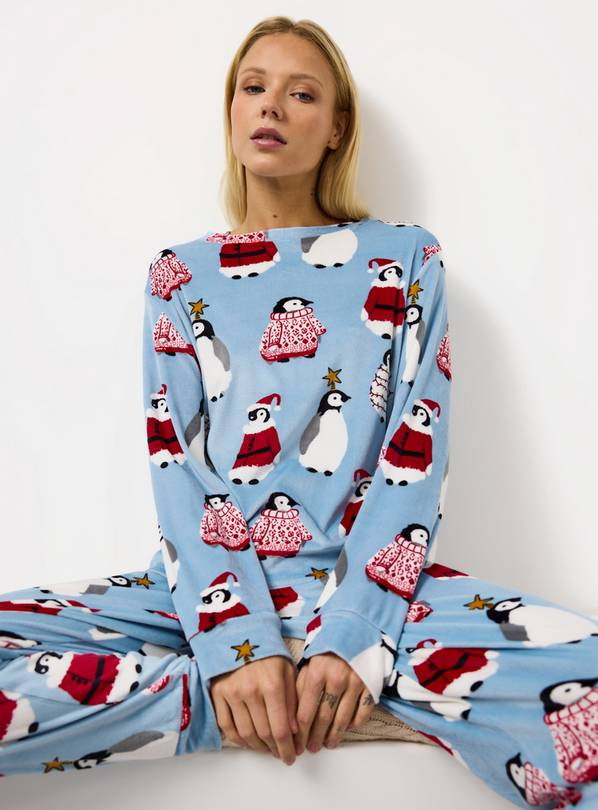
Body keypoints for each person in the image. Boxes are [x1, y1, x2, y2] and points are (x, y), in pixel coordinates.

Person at [1, 15, 596, 808]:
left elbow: (414, 457)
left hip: (375, 593)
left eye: (301, 93)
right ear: (233, 110)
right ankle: (217, 706)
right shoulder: (181, 274)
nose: (271, 106)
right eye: (254, 87)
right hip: (205, 592)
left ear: (336, 127)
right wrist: (235, 645)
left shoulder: (405, 257)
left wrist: (354, 634)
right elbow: (178, 463)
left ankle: (319, 683)